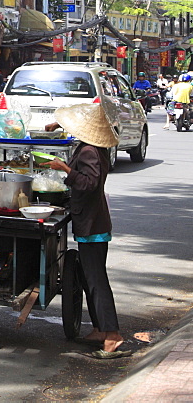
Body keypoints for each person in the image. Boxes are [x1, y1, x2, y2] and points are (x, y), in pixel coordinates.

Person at [42, 104, 130, 359]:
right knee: (89, 277)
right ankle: (100, 329)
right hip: (90, 221)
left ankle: (112, 334)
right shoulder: (89, 146)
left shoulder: (90, 151)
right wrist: (57, 127)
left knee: (96, 280)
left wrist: (66, 170)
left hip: (93, 225)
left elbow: (90, 183)